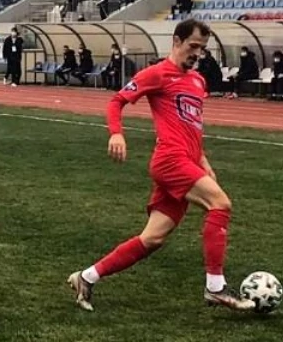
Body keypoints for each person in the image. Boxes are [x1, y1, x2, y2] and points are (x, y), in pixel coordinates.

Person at [67, 18, 254, 312]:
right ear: (176, 42)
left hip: (187, 160)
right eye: (193, 46)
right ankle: (215, 287)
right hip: (170, 160)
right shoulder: (158, 74)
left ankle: (86, 277)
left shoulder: (198, 80)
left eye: (202, 49)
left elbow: (191, 126)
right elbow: (117, 101)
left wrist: (202, 159)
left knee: (152, 238)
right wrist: (116, 132)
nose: (197, 53)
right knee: (221, 204)